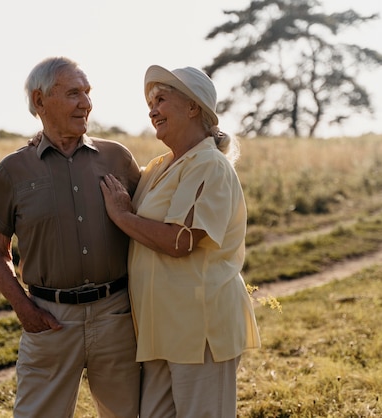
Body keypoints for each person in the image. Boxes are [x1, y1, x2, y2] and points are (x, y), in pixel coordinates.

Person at [0, 56, 141, 418]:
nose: (86, 103)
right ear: (39, 101)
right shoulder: (13, 170)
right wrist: (24, 308)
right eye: (73, 93)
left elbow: (152, 218)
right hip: (49, 320)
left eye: (87, 92)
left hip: (115, 316)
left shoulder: (117, 158)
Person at [99, 65, 261, 417]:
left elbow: (180, 241)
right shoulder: (159, 166)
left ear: (193, 107)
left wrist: (124, 218)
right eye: (150, 102)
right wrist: (48, 136)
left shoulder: (209, 166)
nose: (151, 109)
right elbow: (101, 162)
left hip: (199, 329)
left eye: (161, 99)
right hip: (159, 330)